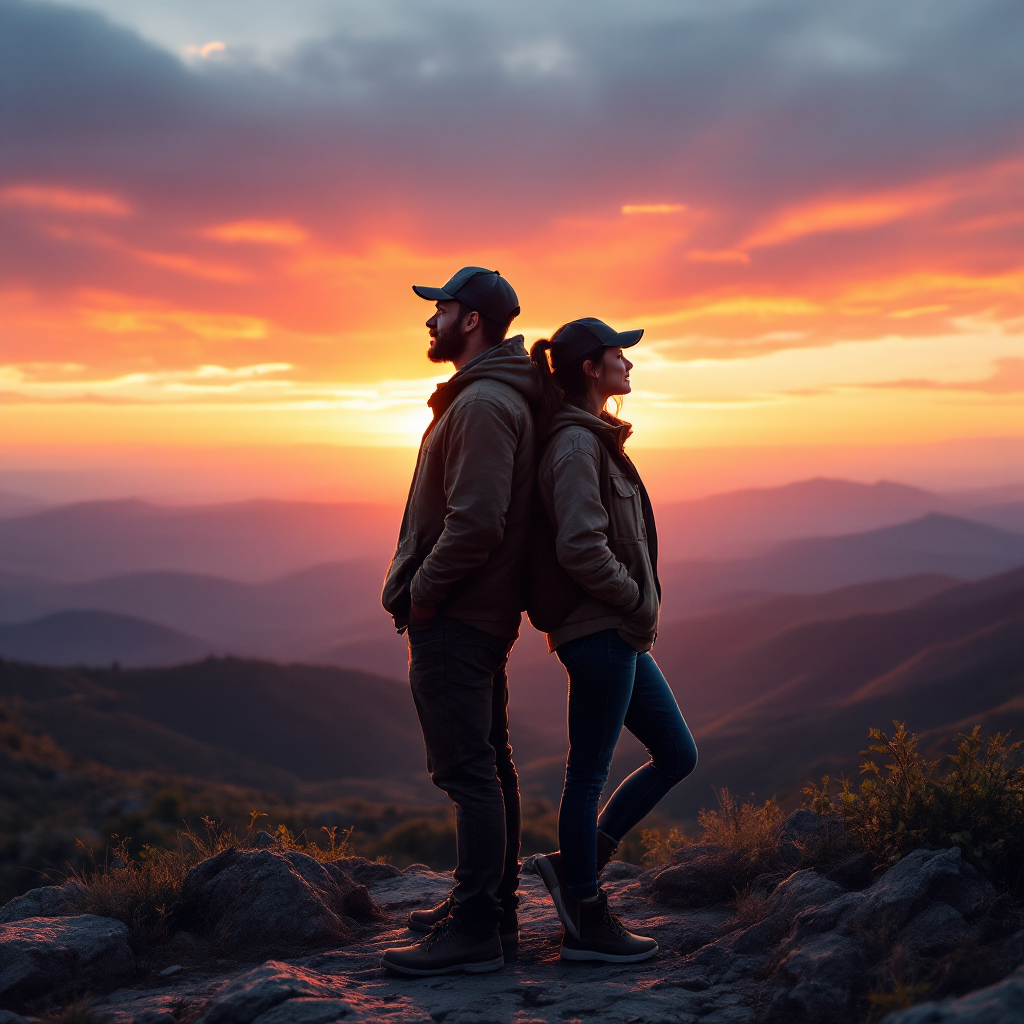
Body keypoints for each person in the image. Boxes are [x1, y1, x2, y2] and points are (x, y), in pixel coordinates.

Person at [379, 267, 539, 976]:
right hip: (481, 611)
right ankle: (488, 910)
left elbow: (475, 521)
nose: (430, 321)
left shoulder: (479, 405)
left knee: (467, 772)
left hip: (457, 615)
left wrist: (425, 595)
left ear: (470, 320)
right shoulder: (492, 396)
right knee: (490, 766)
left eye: (439, 309)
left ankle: (475, 930)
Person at [526, 317, 698, 963]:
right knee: (587, 773)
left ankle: (581, 862)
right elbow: (579, 545)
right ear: (590, 369)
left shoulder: (593, 439)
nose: (630, 362)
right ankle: (585, 919)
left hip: (617, 633)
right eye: (618, 354)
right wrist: (633, 599)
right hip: (600, 631)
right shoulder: (574, 445)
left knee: (677, 755)